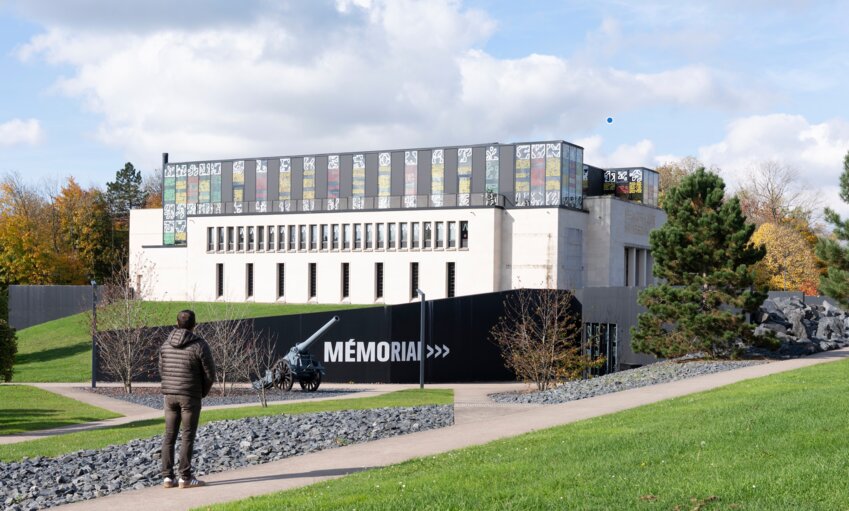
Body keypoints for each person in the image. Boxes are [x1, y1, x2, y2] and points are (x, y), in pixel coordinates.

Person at [159, 310, 216, 489]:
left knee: (169, 436)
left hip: (170, 396)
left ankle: (167, 478)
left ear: (176, 323)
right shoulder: (200, 345)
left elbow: (161, 369)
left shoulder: (166, 344)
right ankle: (185, 477)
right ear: (194, 325)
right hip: (190, 396)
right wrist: (201, 392)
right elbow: (210, 374)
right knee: (187, 436)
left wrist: (170, 386)